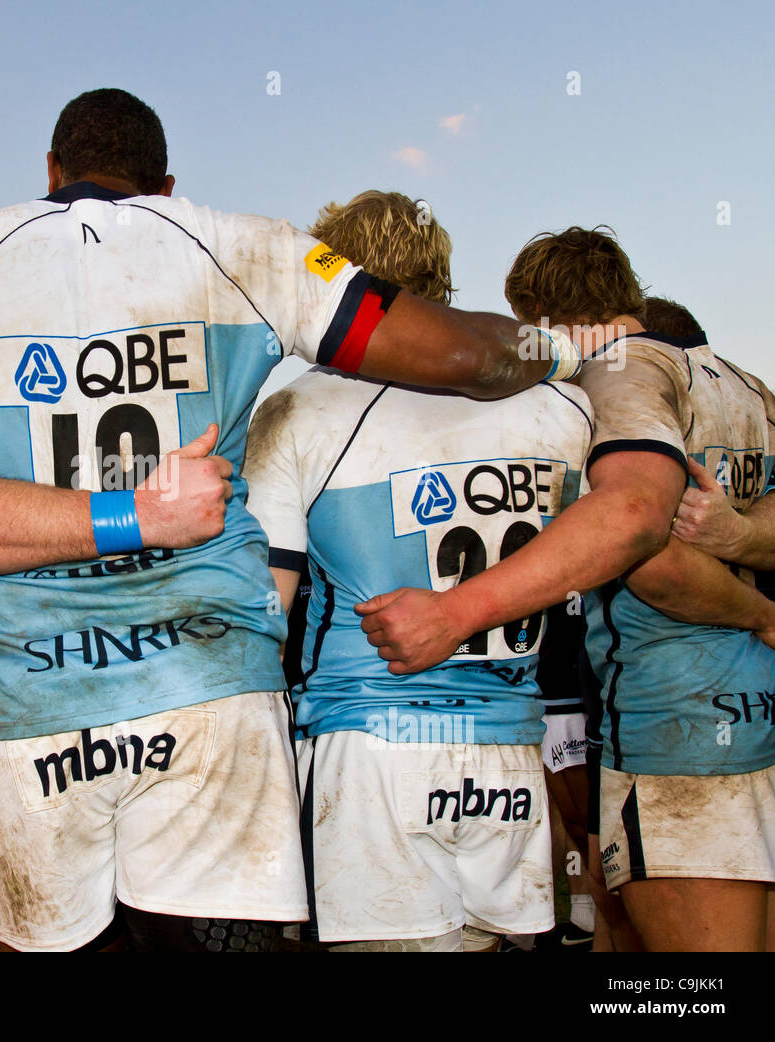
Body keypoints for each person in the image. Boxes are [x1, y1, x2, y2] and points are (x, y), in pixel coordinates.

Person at [0, 89, 574, 952]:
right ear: (166, 185)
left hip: (29, 703)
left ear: (49, 171)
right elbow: (474, 355)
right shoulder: (250, 248)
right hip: (207, 693)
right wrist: (571, 350)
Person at [358, 229, 775, 951]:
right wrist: (745, 548)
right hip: (756, 715)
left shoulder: (617, 376)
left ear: (544, 316)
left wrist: (761, 609)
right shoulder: (743, 383)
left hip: (678, 731)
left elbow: (644, 545)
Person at [243, 190, 590, 951]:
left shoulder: (299, 411)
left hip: (367, 752)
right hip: (509, 750)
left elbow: (264, 610)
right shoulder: (564, 411)